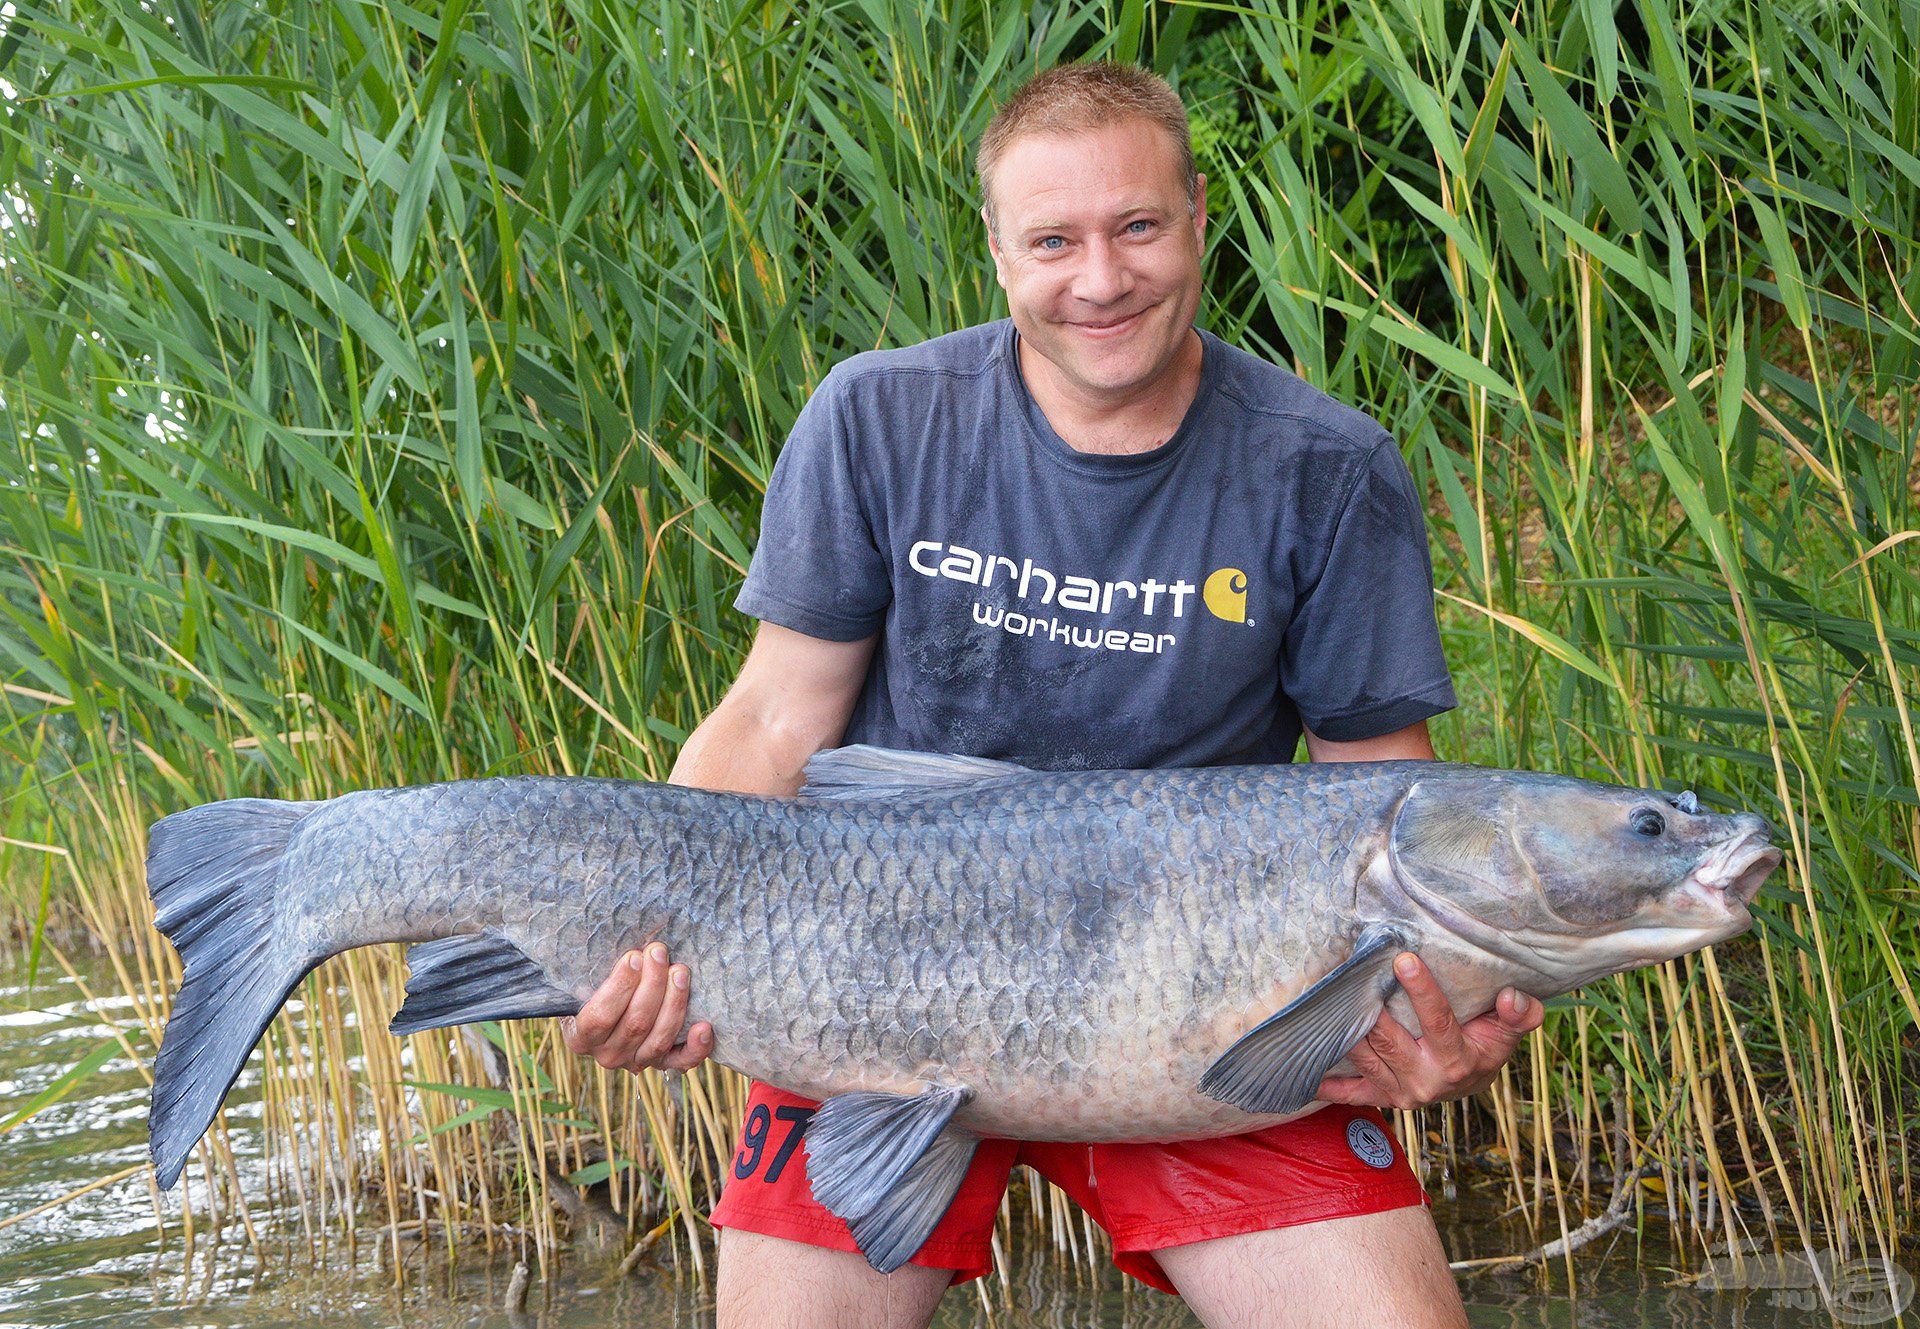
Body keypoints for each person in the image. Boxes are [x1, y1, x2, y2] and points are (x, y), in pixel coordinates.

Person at [559, 61, 1543, 1329]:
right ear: (997, 250)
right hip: (876, 984)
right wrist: (655, 945)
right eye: (1054, 240)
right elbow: (773, 719)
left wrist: (1434, 1025)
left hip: (1209, 1021)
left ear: (1199, 217)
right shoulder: (877, 417)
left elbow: (1388, 806)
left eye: (1137, 226)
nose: (1100, 279)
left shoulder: (1325, 468)